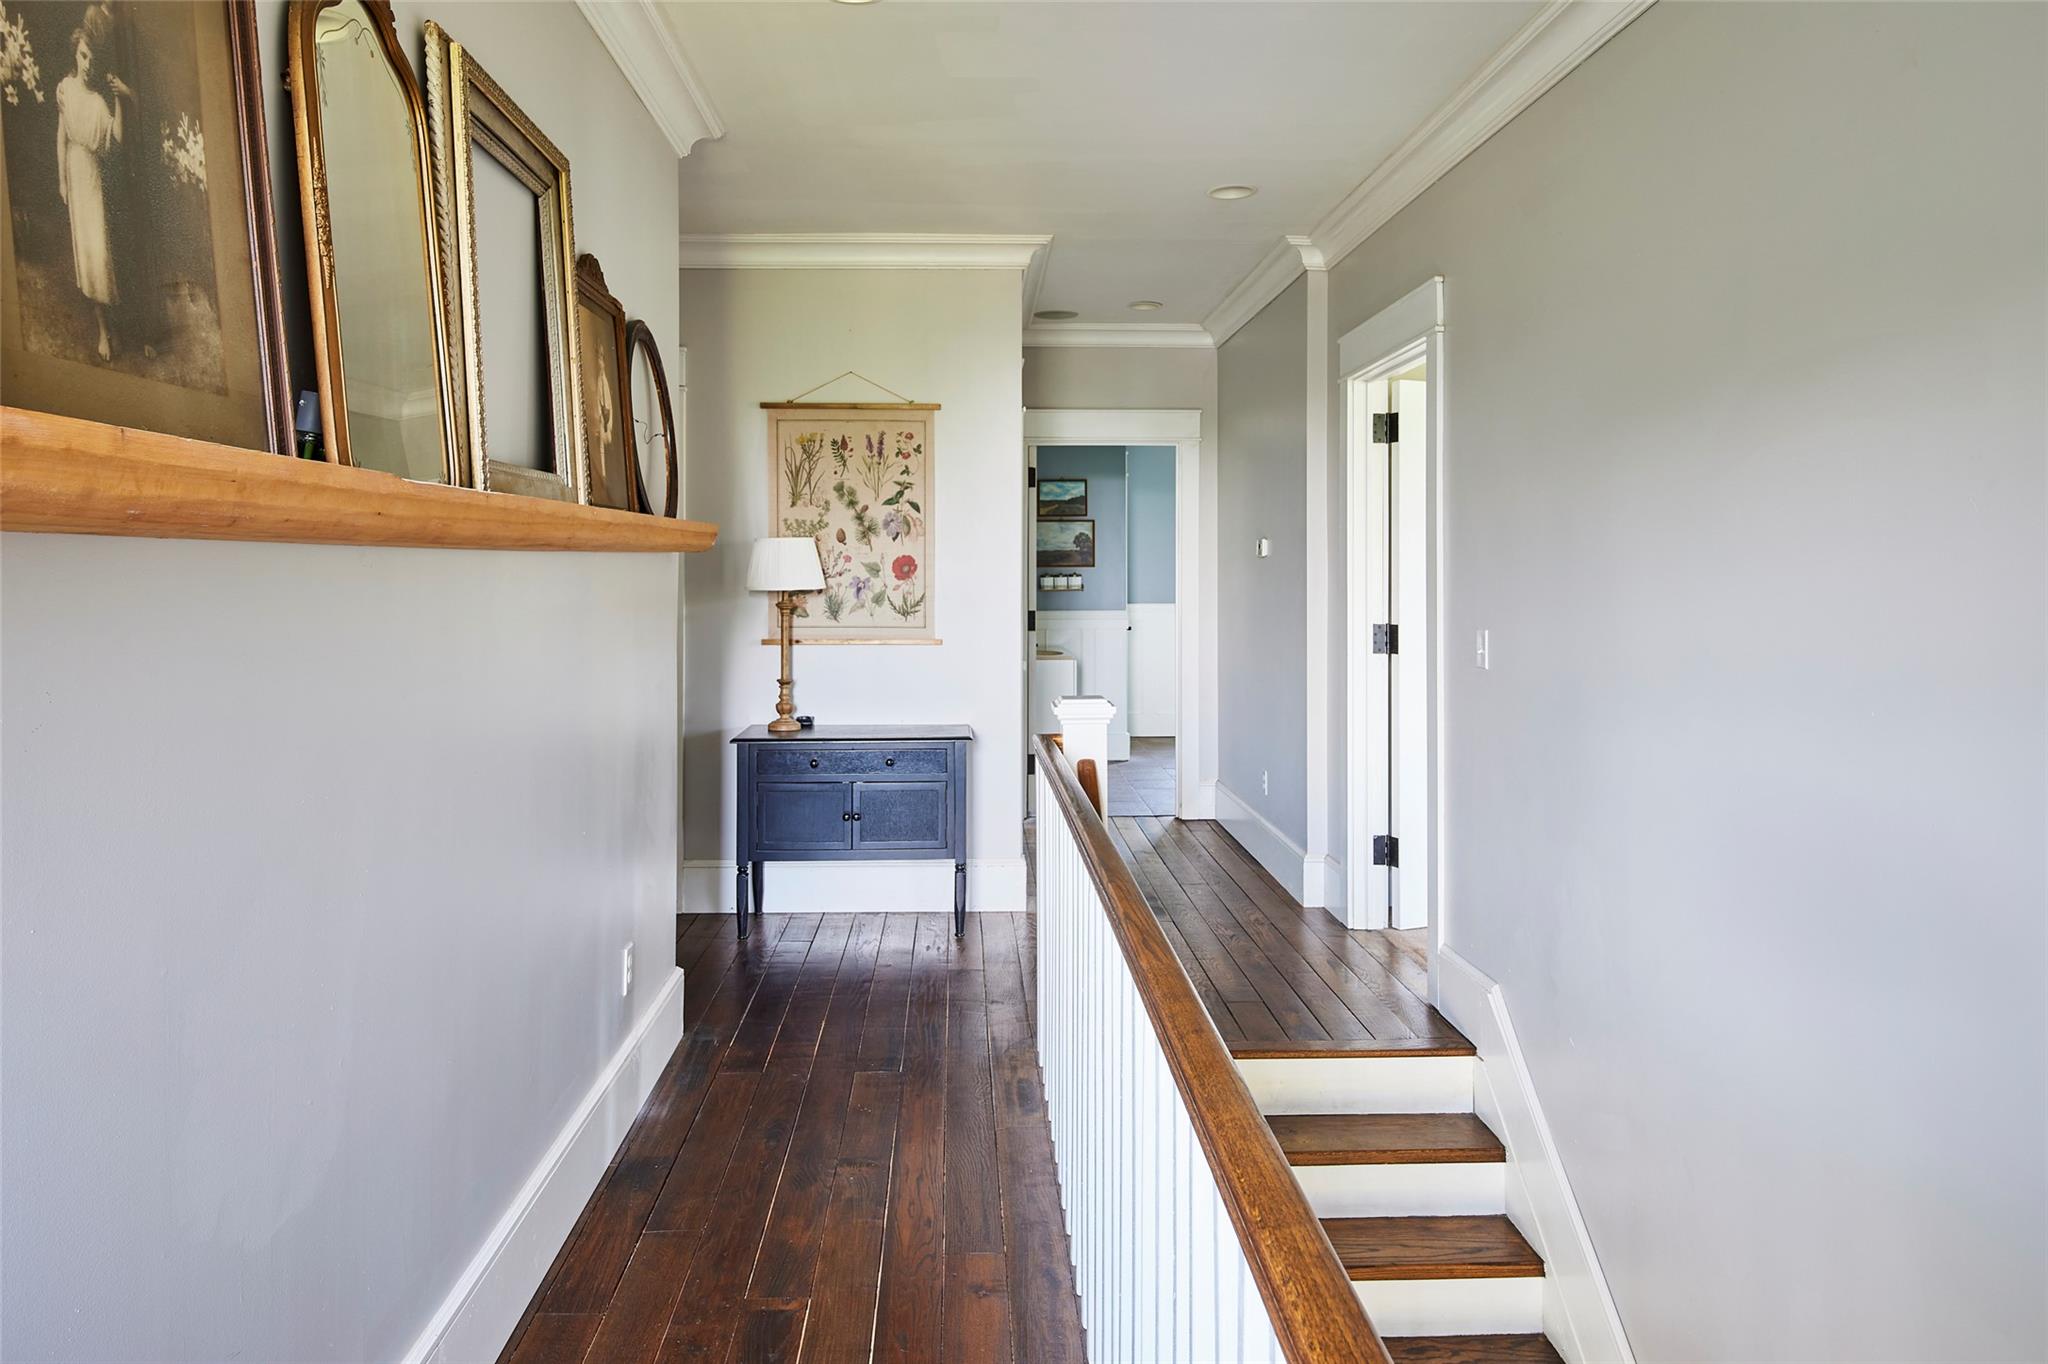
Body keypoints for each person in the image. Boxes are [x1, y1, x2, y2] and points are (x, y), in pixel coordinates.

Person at [53, 14, 129, 362]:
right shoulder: (65, 89)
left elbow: (116, 140)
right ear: (75, 55)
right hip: (73, 167)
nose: (86, 63)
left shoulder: (99, 103)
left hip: (92, 176)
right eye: (82, 56)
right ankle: (102, 325)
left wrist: (120, 100)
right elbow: (61, 135)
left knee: (99, 253)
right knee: (84, 251)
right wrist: (62, 180)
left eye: (91, 58)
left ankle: (107, 328)